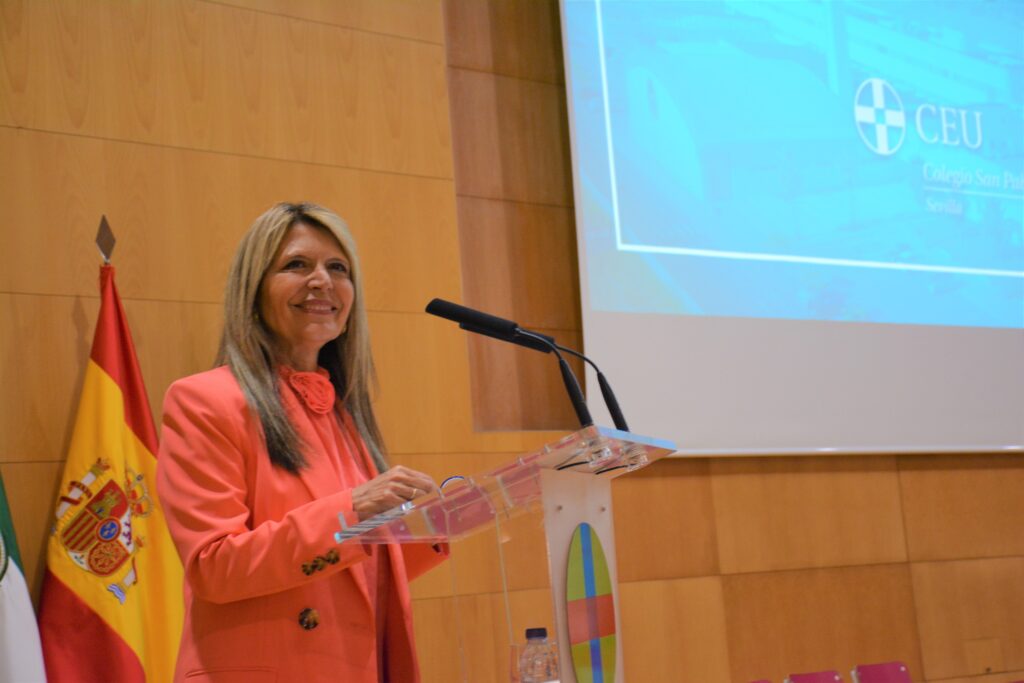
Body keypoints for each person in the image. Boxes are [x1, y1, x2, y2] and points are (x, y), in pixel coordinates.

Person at [157, 202, 446, 683]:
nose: (322, 281)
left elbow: (348, 573)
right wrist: (353, 510)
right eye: (296, 265)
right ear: (252, 290)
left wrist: (430, 524)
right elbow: (214, 567)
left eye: (338, 268)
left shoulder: (343, 408)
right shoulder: (203, 401)